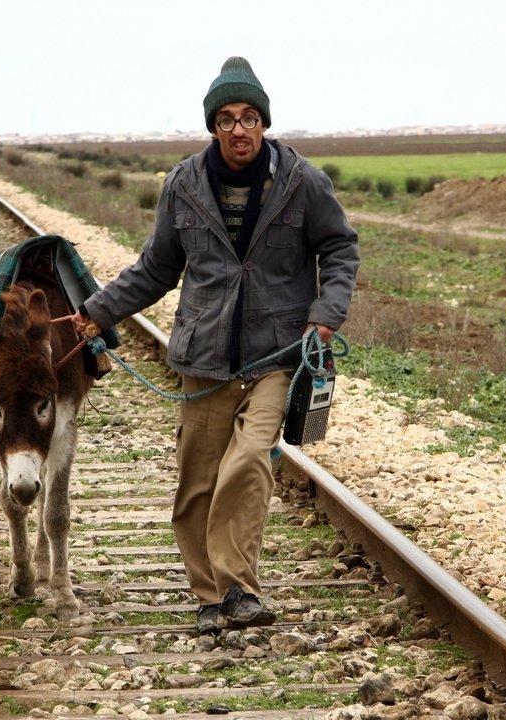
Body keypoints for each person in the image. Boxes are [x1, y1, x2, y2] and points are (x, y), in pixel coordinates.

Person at [71, 56, 359, 635]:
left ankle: (241, 589)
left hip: (277, 353)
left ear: (264, 123)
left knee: (250, 461)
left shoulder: (302, 182)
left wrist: (325, 316)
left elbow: (341, 249)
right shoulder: (184, 185)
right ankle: (209, 596)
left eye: (249, 117)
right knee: (197, 481)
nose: (238, 129)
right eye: (226, 118)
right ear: (212, 127)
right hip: (203, 355)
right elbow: (157, 268)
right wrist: (96, 311)